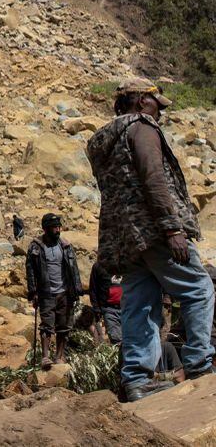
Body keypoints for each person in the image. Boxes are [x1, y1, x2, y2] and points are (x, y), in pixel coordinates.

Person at [86, 77, 215, 402]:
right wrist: (172, 228)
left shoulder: (106, 138)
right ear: (143, 100)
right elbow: (153, 176)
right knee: (199, 290)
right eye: (158, 104)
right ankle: (200, 364)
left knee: (139, 304)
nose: (162, 112)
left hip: (124, 237)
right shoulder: (142, 128)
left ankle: (137, 380)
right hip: (154, 230)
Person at [26, 213, 84, 368]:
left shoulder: (65, 245)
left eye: (58, 227)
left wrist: (77, 290)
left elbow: (74, 269)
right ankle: (45, 356)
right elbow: (30, 270)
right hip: (46, 293)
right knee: (46, 325)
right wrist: (33, 292)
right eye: (53, 227)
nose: (57, 230)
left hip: (65, 293)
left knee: (64, 326)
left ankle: (59, 355)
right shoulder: (36, 246)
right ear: (45, 229)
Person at [89, 259, 123, 345]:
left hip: (128, 308)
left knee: (131, 339)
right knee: (116, 340)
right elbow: (93, 289)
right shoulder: (98, 266)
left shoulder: (127, 263)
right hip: (109, 309)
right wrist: (96, 308)